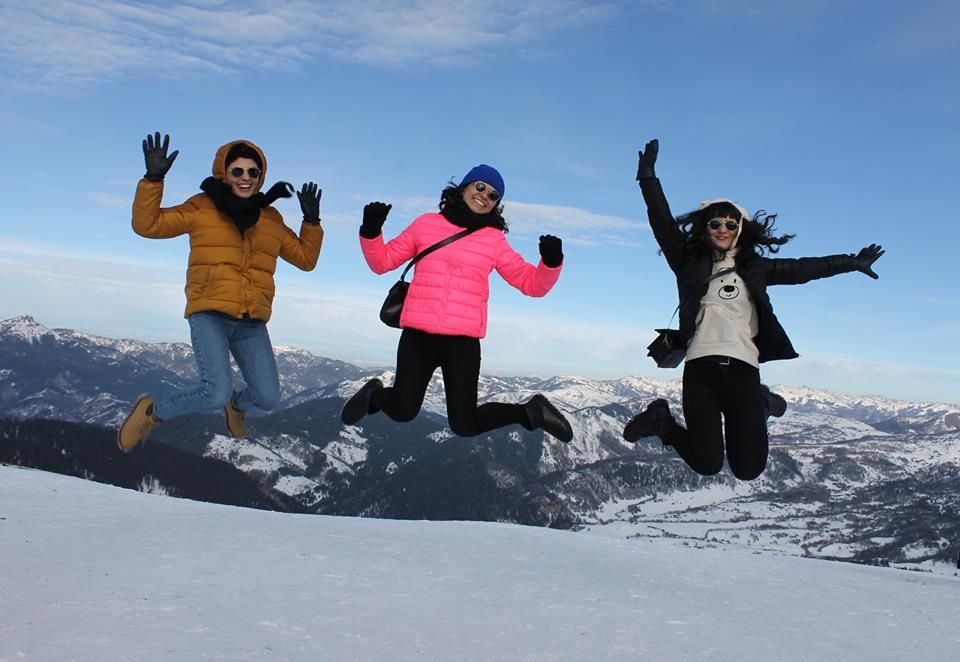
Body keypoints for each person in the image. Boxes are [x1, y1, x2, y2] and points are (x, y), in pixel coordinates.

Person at [623, 138, 884, 480]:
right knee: (707, 463)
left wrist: (851, 262)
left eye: (731, 224)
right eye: (715, 223)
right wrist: (648, 178)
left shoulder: (756, 267)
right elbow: (662, 223)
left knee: (749, 469)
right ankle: (662, 423)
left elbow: (805, 268)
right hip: (701, 371)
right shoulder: (687, 261)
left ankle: (761, 403)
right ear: (705, 227)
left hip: (744, 372)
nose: (723, 229)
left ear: (740, 229)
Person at [117, 132, 324, 452]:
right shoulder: (203, 207)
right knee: (214, 391)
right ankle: (151, 412)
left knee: (268, 398)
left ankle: (237, 407)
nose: (245, 178)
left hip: (251, 320)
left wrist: (311, 221)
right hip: (209, 311)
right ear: (224, 173)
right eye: (237, 171)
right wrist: (153, 179)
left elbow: (306, 260)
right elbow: (149, 225)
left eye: (252, 172)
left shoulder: (270, 218)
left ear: (261, 176)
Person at [340, 164, 573, 442]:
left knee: (465, 424)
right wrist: (370, 231)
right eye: (481, 187)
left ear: (496, 205)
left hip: (461, 343)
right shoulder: (426, 224)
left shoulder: (493, 240)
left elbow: (531, 284)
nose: (485, 195)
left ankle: (532, 412)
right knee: (403, 411)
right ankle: (373, 396)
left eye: (494, 195)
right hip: (418, 336)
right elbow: (382, 262)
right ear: (464, 187)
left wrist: (550, 263)